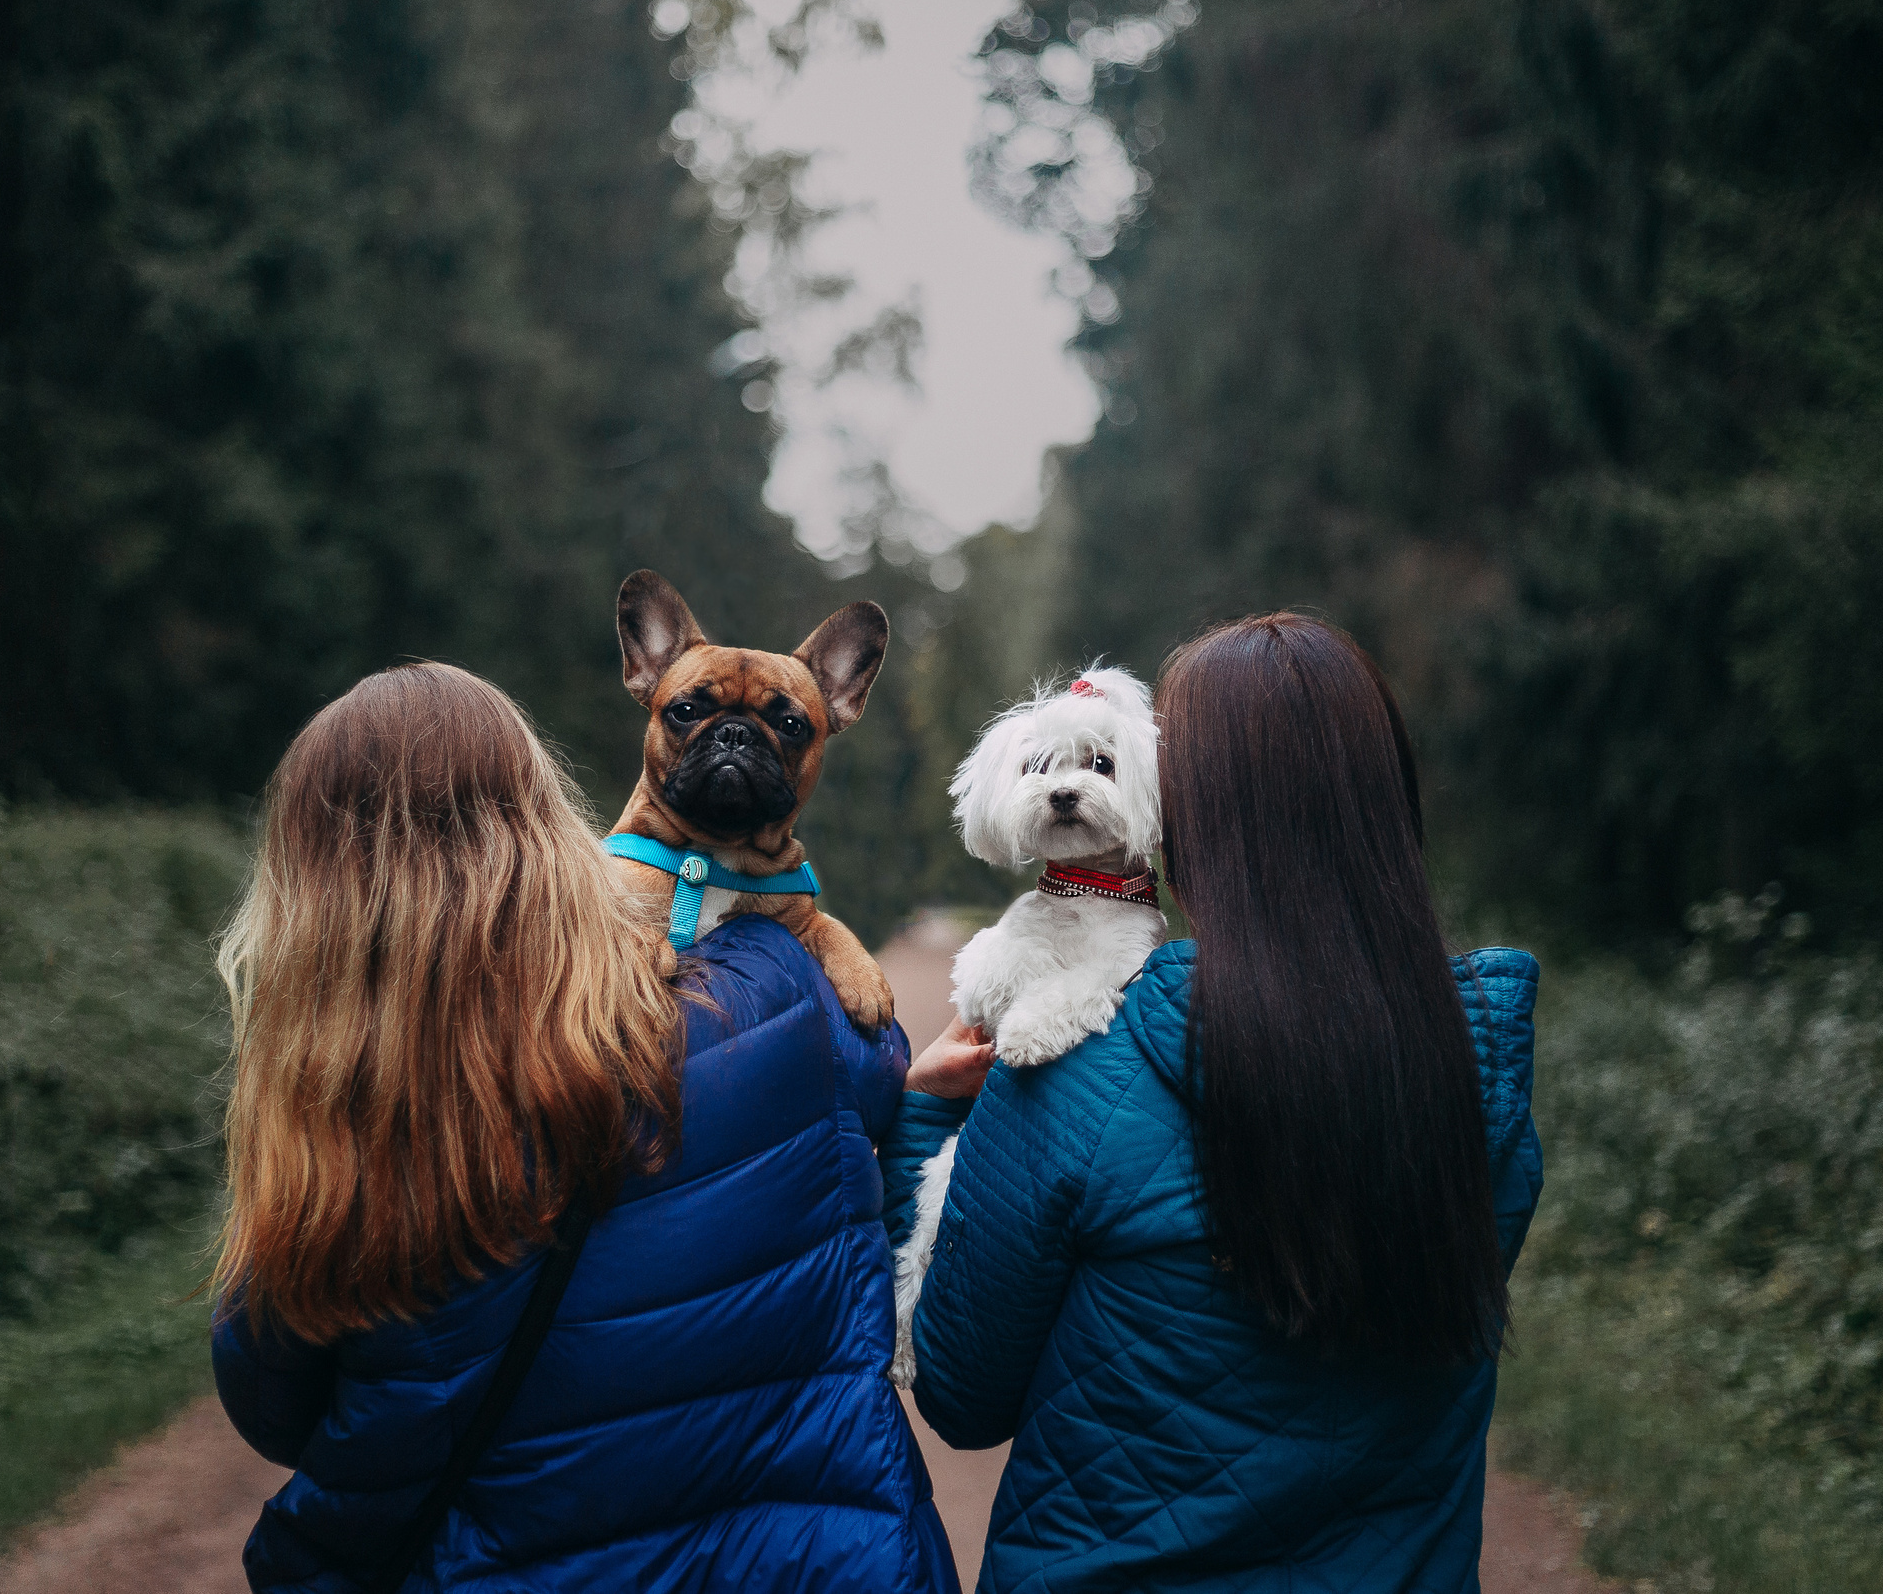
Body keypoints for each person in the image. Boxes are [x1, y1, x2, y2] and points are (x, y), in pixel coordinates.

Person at [208, 662, 960, 1593]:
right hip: (807, 1557)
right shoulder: (776, 979)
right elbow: (876, 1076)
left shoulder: (329, 1124)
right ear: (541, 815)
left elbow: (272, 1402)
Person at [888, 614, 1544, 1592]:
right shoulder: (1473, 1080)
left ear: (1189, 816)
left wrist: (927, 1119)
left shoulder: (1077, 1076)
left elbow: (958, 1391)